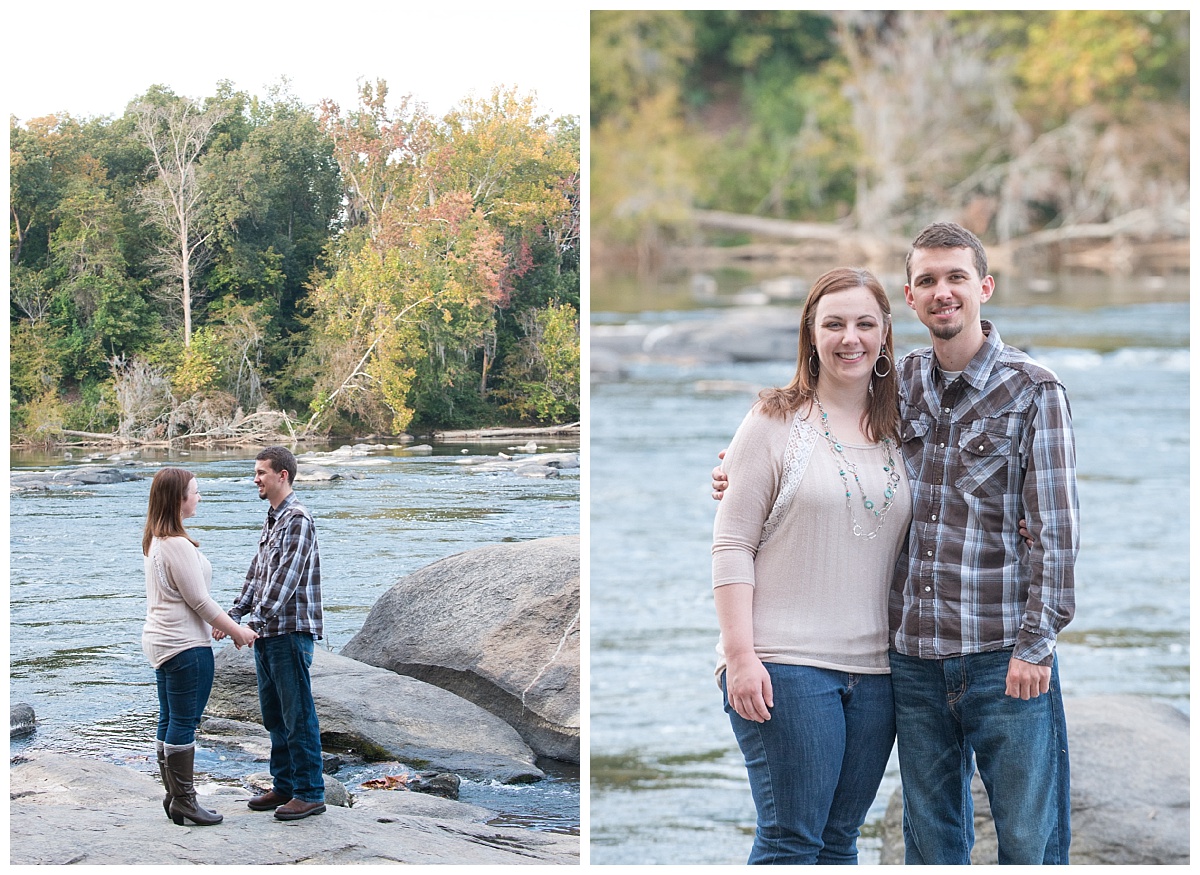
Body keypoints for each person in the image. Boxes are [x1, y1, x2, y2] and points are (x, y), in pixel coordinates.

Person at [715, 222, 1078, 865]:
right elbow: (805, 455)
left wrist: (1036, 645)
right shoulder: (899, 388)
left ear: (985, 287)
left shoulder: (1031, 389)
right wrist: (734, 469)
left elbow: (1056, 532)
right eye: (928, 281)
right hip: (912, 660)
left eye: (956, 278)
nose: (943, 292)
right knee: (928, 842)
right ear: (909, 300)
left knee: (1028, 841)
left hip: (998, 655)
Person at [712, 267, 911, 864]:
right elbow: (732, 545)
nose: (850, 337)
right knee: (791, 839)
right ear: (811, 334)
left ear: (884, 334)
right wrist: (741, 658)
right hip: (786, 666)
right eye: (834, 324)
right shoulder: (773, 423)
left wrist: (1027, 524)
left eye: (864, 324)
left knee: (838, 841)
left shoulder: (906, 427)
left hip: (878, 674)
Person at [214, 446, 327, 821]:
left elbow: (284, 583)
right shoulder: (274, 518)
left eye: (262, 472)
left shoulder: (297, 519)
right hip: (268, 633)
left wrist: (252, 624)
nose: (256, 479)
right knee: (274, 716)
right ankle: (284, 786)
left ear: (283, 475)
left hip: (289, 632)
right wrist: (231, 615)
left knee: (298, 716)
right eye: (256, 472)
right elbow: (257, 574)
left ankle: (310, 792)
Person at [142, 467, 258, 827]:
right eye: (195, 491)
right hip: (184, 645)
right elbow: (200, 601)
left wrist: (222, 625)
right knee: (184, 722)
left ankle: (174, 797)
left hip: (163, 642)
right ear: (179, 499)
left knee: (169, 719)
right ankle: (185, 801)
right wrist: (237, 631)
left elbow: (187, 599)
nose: (199, 496)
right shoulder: (175, 544)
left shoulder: (156, 540)